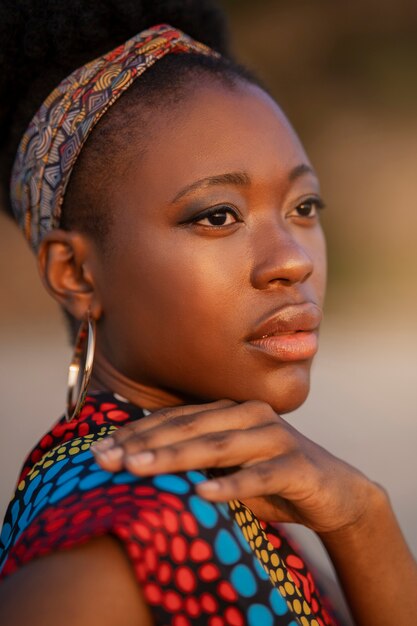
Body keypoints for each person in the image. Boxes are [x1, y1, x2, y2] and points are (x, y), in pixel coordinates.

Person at [0, 1, 416, 625]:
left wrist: (363, 518)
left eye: (304, 208)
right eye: (218, 215)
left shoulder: (245, 486)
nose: (292, 261)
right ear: (76, 274)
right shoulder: (122, 541)